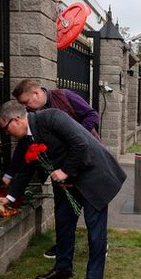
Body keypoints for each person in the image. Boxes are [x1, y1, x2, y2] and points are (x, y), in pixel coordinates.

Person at [0, 102, 127, 279]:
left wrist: (64, 171)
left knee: (95, 229)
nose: (8, 133)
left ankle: (95, 277)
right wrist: (9, 197)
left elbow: (80, 143)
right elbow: (26, 170)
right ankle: (63, 268)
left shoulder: (52, 117)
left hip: (92, 175)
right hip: (67, 182)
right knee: (64, 223)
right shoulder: (27, 138)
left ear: (15, 120)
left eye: (6, 128)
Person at [11, 79, 101, 260]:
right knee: (65, 210)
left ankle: (98, 245)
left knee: (92, 209)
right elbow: (25, 145)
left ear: (36, 94)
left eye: (25, 102)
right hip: (59, 165)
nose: (25, 107)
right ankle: (63, 247)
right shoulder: (31, 114)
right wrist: (10, 173)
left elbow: (92, 115)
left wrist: (75, 134)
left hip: (83, 158)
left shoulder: (65, 96)